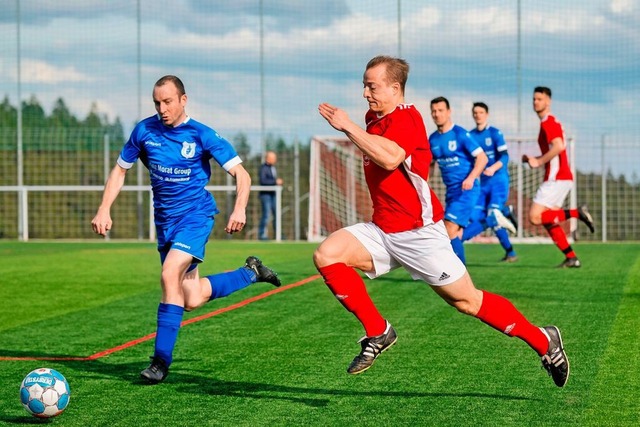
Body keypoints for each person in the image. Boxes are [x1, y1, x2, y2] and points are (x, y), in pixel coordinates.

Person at [315, 55, 569, 387]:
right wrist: (356, 125)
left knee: (468, 302)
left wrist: (347, 126)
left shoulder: (408, 118)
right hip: (383, 229)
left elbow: (392, 158)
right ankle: (379, 332)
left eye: (371, 86)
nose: (365, 92)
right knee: (327, 254)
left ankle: (544, 340)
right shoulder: (372, 117)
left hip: (420, 234)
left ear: (395, 88)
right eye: (364, 85)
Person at [91, 75, 281, 384]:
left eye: (167, 101)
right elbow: (119, 171)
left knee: (169, 276)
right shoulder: (144, 131)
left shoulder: (202, 135)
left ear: (183, 100)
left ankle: (159, 362)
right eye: (157, 102)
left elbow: (242, 175)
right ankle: (252, 272)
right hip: (165, 223)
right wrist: (103, 208)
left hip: (195, 217)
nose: (162, 108)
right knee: (190, 297)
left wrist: (239, 208)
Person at [523, 86, 595, 268]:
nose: (535, 102)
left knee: (534, 217)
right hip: (559, 177)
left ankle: (577, 213)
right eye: (534, 99)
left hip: (557, 177)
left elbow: (559, 146)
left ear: (548, 101)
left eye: (539, 99)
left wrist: (539, 161)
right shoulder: (547, 123)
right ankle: (572, 258)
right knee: (548, 220)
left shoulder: (549, 122)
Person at [428, 96, 489, 264]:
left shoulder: (460, 134)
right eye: (434, 111)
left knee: (448, 229)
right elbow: (430, 164)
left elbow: (482, 158)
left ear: (449, 112)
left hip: (467, 190)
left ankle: (460, 273)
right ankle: (491, 220)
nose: (437, 114)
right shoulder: (432, 139)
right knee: (455, 233)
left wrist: (471, 178)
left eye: (440, 110)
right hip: (451, 192)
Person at [461, 102, 518, 262]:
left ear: (487, 114)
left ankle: (457, 242)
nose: (478, 115)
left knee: (492, 214)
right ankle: (506, 215)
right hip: (483, 183)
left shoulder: (495, 133)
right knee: (476, 216)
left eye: (480, 112)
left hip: (498, 180)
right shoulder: (470, 135)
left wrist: (493, 168)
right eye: (475, 112)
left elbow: (505, 157)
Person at [258, 151, 283, 240]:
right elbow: (263, 181)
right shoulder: (263, 168)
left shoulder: (273, 168)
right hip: (266, 195)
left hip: (273, 194)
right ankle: (262, 234)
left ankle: (278, 235)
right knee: (266, 215)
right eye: (274, 158)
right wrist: (275, 182)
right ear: (268, 158)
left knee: (277, 214)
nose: (275, 160)